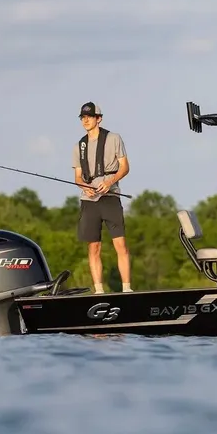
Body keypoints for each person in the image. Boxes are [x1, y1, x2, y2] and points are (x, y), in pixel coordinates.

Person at [72, 102, 133, 293]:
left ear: (99, 118)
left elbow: (125, 167)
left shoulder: (114, 138)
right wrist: (84, 186)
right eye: (83, 117)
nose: (86, 120)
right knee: (93, 247)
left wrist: (109, 182)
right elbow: (77, 177)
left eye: (89, 117)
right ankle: (98, 290)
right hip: (89, 201)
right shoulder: (78, 146)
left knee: (120, 244)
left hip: (110, 197)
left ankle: (126, 288)